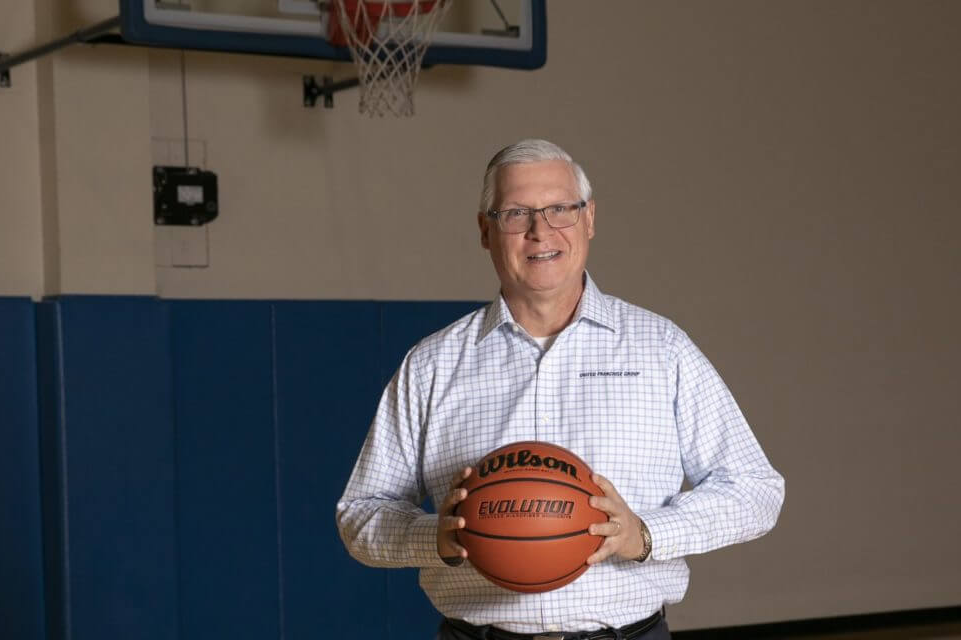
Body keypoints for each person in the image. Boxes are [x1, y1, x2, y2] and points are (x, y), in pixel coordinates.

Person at [336, 139, 784, 639]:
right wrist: (434, 537)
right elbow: (360, 515)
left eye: (559, 209)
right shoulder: (432, 365)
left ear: (589, 219)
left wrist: (648, 534)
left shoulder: (662, 349)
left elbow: (756, 492)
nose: (539, 231)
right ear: (485, 231)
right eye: (515, 213)